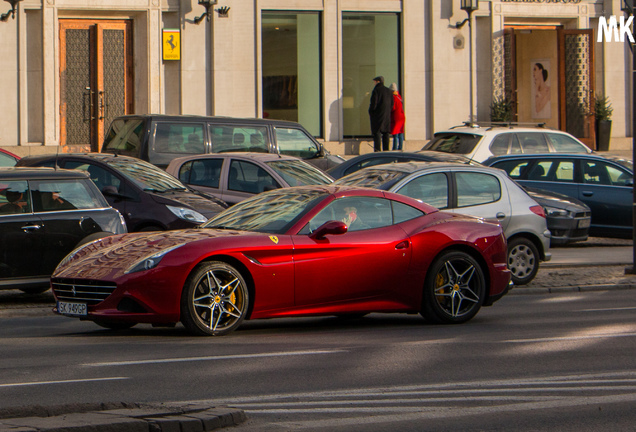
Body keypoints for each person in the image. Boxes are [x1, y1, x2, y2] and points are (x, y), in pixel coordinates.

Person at [368, 76, 393, 152]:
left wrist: (371, 112)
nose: (374, 83)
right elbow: (392, 104)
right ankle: (386, 151)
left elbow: (373, 104)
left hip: (377, 116)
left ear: (378, 82)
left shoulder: (376, 90)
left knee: (377, 134)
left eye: (375, 81)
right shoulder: (389, 91)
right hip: (386, 116)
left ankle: (377, 151)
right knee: (386, 134)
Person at [389, 83, 405, 151]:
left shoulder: (393, 97)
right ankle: (400, 147)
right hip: (401, 116)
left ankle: (395, 148)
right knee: (400, 133)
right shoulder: (399, 96)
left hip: (396, 117)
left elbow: (393, 108)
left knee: (395, 134)